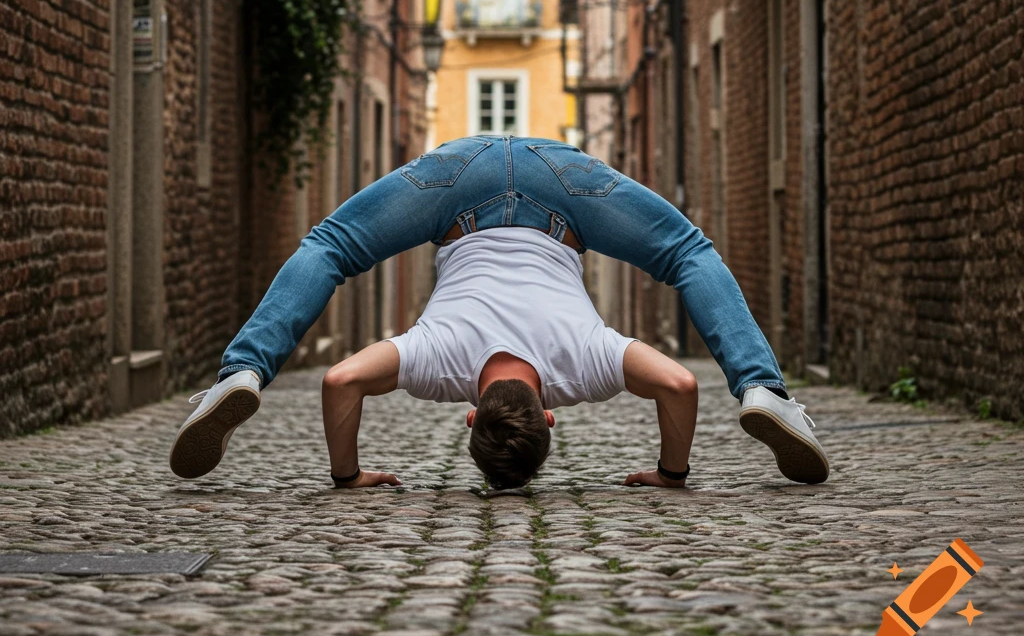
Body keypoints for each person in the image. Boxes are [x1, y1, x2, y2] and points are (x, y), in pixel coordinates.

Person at [169, 137, 829, 487]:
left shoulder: (584, 366)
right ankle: (240, 373)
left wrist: (672, 473)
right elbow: (344, 382)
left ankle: (764, 391)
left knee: (686, 253)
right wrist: (347, 475)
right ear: (468, 417)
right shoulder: (439, 363)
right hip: (475, 182)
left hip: (546, 194)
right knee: (333, 247)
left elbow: (678, 386)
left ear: (549, 418)